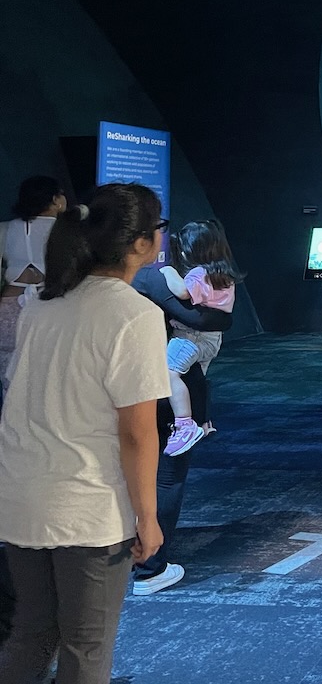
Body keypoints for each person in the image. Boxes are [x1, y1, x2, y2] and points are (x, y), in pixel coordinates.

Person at [0, 184, 169, 681]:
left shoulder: (43, 304)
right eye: (157, 229)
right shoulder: (134, 314)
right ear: (140, 243)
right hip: (87, 506)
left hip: (21, 493)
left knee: (31, 632)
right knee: (87, 645)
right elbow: (138, 432)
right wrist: (148, 516)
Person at [130, 263, 235, 596]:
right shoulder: (154, 275)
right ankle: (150, 567)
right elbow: (201, 319)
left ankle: (124, 556)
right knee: (167, 478)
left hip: (129, 390)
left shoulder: (115, 282)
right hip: (164, 391)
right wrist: (224, 318)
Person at [158, 220, 241, 457]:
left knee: (169, 373)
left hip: (190, 338)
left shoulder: (198, 273)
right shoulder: (225, 276)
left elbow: (183, 291)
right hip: (213, 340)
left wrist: (167, 271)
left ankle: (184, 425)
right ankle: (203, 423)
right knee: (196, 381)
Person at [0, 176, 67, 379]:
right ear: (56, 200)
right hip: (48, 306)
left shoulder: (5, 228)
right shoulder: (64, 231)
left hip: (8, 306)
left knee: (8, 379)